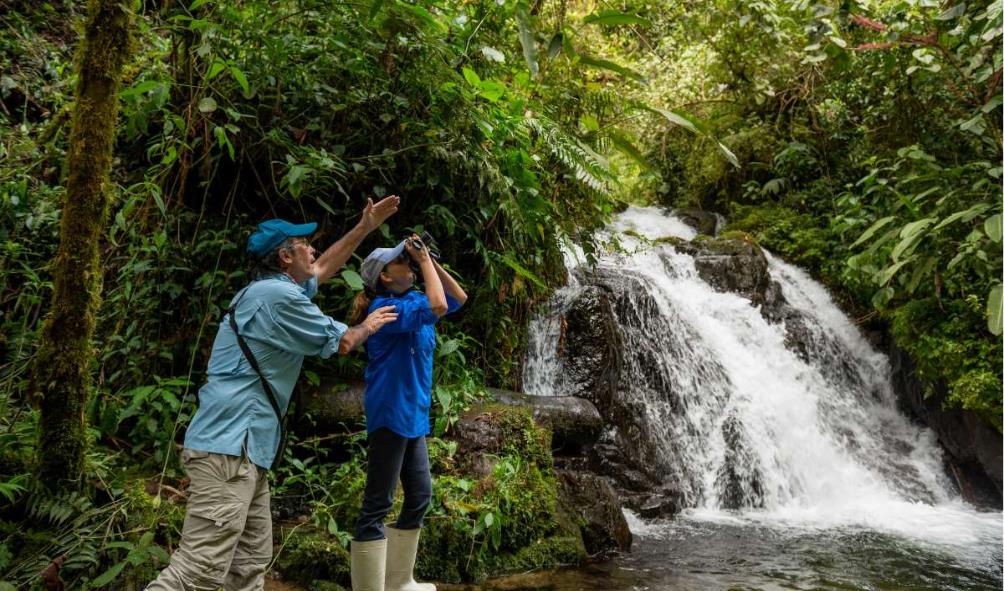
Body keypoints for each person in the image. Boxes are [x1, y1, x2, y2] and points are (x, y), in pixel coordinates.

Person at [146, 196, 401, 591]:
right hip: (230, 451)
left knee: (248, 567)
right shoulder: (278, 298)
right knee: (195, 573)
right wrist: (368, 325)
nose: (312, 248)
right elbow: (344, 342)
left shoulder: (267, 291)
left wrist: (364, 227)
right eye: (304, 244)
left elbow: (320, 269)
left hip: (247, 452)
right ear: (284, 256)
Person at [347, 234, 467, 591]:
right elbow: (438, 307)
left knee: (418, 497)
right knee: (377, 503)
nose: (411, 264)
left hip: (413, 416)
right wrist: (426, 263)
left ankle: (399, 582)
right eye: (404, 260)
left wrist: (428, 258)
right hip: (390, 413)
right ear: (384, 276)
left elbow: (456, 299)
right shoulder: (384, 310)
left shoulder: (413, 299)